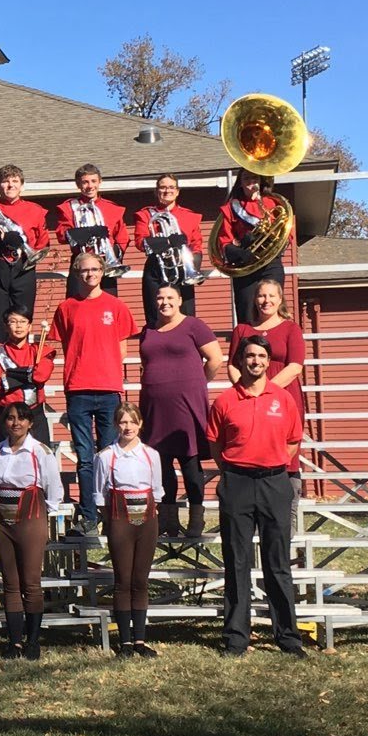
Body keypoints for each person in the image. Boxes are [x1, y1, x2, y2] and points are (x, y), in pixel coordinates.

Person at [205, 335, 306, 658]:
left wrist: (269, 463)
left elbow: (292, 442)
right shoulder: (224, 401)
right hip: (237, 483)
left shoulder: (283, 398)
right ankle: (236, 638)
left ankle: (287, 637)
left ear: (267, 360)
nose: (256, 361)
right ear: (241, 361)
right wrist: (237, 470)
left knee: (278, 564)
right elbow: (216, 446)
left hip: (275, 482)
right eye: (250, 356)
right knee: (237, 561)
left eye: (261, 356)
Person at [53, 252, 137, 535]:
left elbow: (123, 348)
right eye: (84, 270)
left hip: (109, 389)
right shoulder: (66, 308)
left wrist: (111, 374)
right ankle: (89, 515)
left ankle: (112, 511)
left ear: (103, 272)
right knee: (85, 457)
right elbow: (67, 343)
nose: (89, 274)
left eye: (94, 269)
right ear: (77, 274)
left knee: (111, 454)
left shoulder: (116, 306)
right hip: (78, 388)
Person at [139, 286, 221, 538]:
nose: (164, 302)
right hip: (155, 408)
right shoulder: (148, 330)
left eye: (170, 298)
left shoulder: (194, 325)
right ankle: (168, 519)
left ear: (180, 301)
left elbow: (215, 359)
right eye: (160, 297)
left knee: (190, 464)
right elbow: (147, 363)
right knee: (161, 465)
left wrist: (196, 383)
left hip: (187, 406)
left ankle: (196, 518)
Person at [0, 402, 62, 660]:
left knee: (30, 582)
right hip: (4, 521)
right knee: (10, 582)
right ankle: (15, 642)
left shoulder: (40, 451)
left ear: (30, 423)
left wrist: (41, 514)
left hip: (31, 517)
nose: (15, 423)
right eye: (10, 419)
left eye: (21, 419)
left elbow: (54, 489)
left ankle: (33, 641)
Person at [229, 279, 307, 510]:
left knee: (284, 453)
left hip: (284, 399)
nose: (266, 301)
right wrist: (245, 391)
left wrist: (266, 391)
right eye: (262, 296)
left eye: (272, 296)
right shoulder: (243, 330)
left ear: (280, 299)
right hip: (247, 400)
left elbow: (295, 366)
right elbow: (233, 365)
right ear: (255, 299)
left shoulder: (291, 328)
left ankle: (285, 514)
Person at [93, 403, 164, 657]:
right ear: (116, 425)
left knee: (140, 580)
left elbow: (157, 490)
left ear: (140, 424)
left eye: (132, 422)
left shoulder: (151, 455)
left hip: (146, 519)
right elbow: (100, 494)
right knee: (123, 580)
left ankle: (140, 641)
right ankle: (124, 642)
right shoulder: (106, 456)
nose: (128, 427)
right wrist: (111, 521)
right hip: (119, 518)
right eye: (123, 422)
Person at [0, 165, 50, 345]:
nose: (10, 185)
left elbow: (43, 243)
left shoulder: (35, 210)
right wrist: (1, 238)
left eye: (15, 181)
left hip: (24, 268)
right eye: (5, 181)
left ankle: (21, 361)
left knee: (23, 315)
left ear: (22, 185)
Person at [216, 169, 287, 325]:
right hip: (246, 265)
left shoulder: (274, 203)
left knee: (273, 310)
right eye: (246, 178)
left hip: (270, 264)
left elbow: (287, 234)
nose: (251, 182)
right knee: (247, 312)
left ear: (261, 181)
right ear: (240, 183)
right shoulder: (231, 207)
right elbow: (224, 242)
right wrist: (241, 252)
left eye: (255, 178)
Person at [134, 173, 204, 328]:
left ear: (178, 191)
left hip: (183, 270)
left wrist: (195, 269)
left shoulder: (189, 216)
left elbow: (196, 244)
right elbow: (141, 242)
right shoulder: (145, 214)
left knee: (186, 318)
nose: (167, 191)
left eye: (171, 187)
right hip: (156, 271)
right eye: (163, 187)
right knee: (155, 317)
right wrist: (168, 242)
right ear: (156, 191)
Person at [0, 305, 56, 446]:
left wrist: (7, 375)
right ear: (6, 326)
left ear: (29, 326)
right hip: (7, 415)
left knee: (39, 462)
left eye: (23, 321)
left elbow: (40, 375)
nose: (18, 326)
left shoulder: (40, 350)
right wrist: (28, 375)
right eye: (13, 321)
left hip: (35, 414)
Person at [54, 163, 129, 297]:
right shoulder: (68, 207)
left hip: (106, 264)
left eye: (93, 181)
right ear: (78, 185)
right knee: (76, 307)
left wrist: (113, 257)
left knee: (107, 307)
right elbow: (61, 236)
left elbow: (123, 238)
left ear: (100, 182)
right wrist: (86, 233)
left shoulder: (113, 208)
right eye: (85, 182)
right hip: (80, 264)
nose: (90, 186)